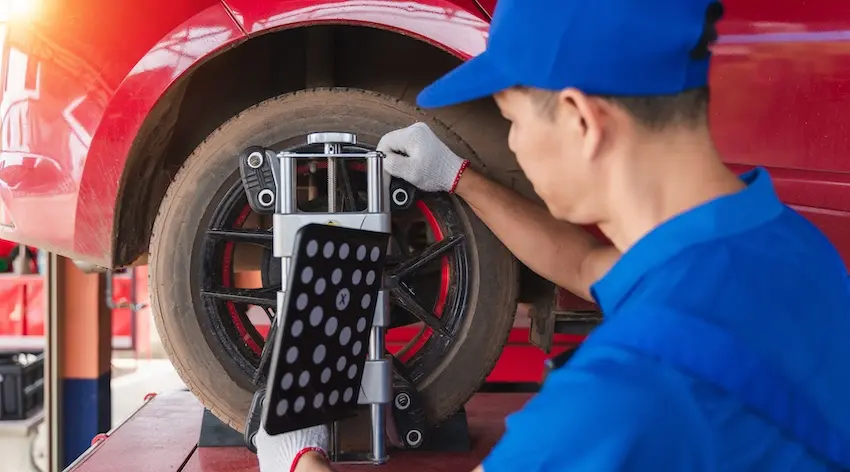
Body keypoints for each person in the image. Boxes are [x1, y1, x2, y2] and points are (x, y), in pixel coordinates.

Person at [256, 0, 850, 470]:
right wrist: (458, 179)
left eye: (511, 119)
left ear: (581, 119)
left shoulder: (613, 398)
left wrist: (299, 461)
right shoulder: (788, 249)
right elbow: (590, 266)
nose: (510, 142)